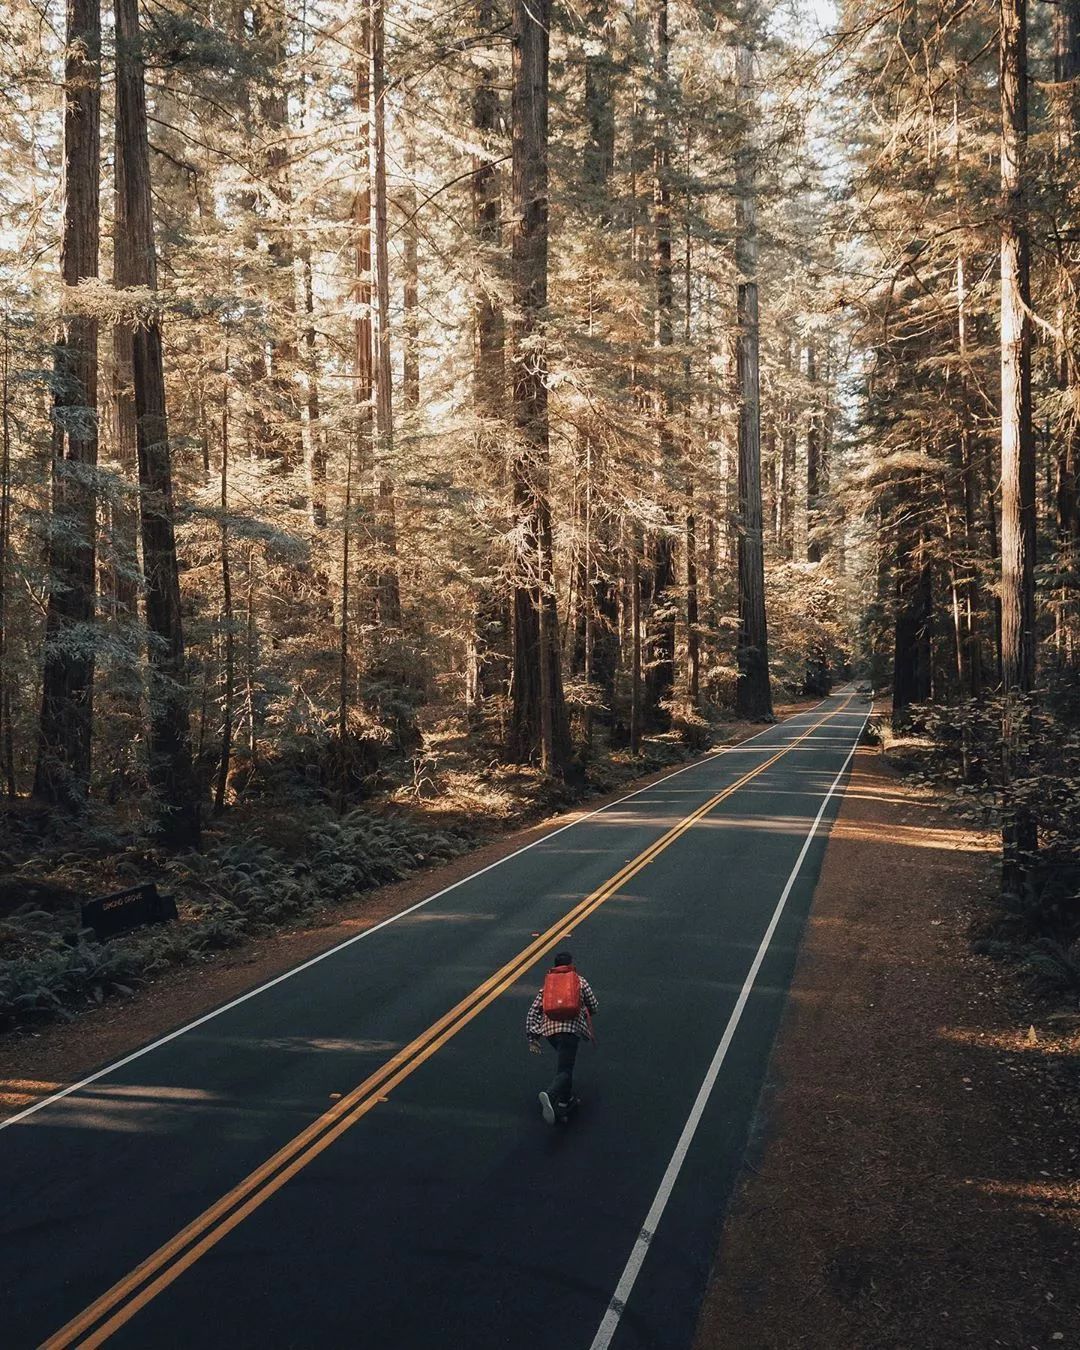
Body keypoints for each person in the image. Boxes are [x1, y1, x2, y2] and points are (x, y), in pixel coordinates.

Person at [526, 950, 598, 1124]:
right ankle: (550, 1096)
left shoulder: (547, 987)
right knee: (565, 1069)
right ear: (571, 964)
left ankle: (566, 1100)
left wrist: (533, 1036)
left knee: (566, 1064)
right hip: (570, 1031)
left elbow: (533, 1011)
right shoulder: (579, 981)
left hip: (551, 1033)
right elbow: (594, 1005)